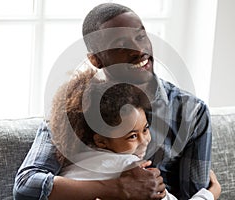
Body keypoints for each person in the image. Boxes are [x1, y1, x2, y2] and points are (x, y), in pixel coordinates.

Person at [14, 3, 220, 200]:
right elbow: (26, 187)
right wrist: (117, 187)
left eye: (141, 36)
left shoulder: (191, 112)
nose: (139, 50)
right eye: (121, 45)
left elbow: (192, 193)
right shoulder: (75, 108)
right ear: (96, 59)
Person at [50, 69, 219, 200]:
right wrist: (211, 193)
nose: (145, 140)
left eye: (145, 129)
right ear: (101, 141)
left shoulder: (71, 164)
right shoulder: (134, 170)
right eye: (132, 136)